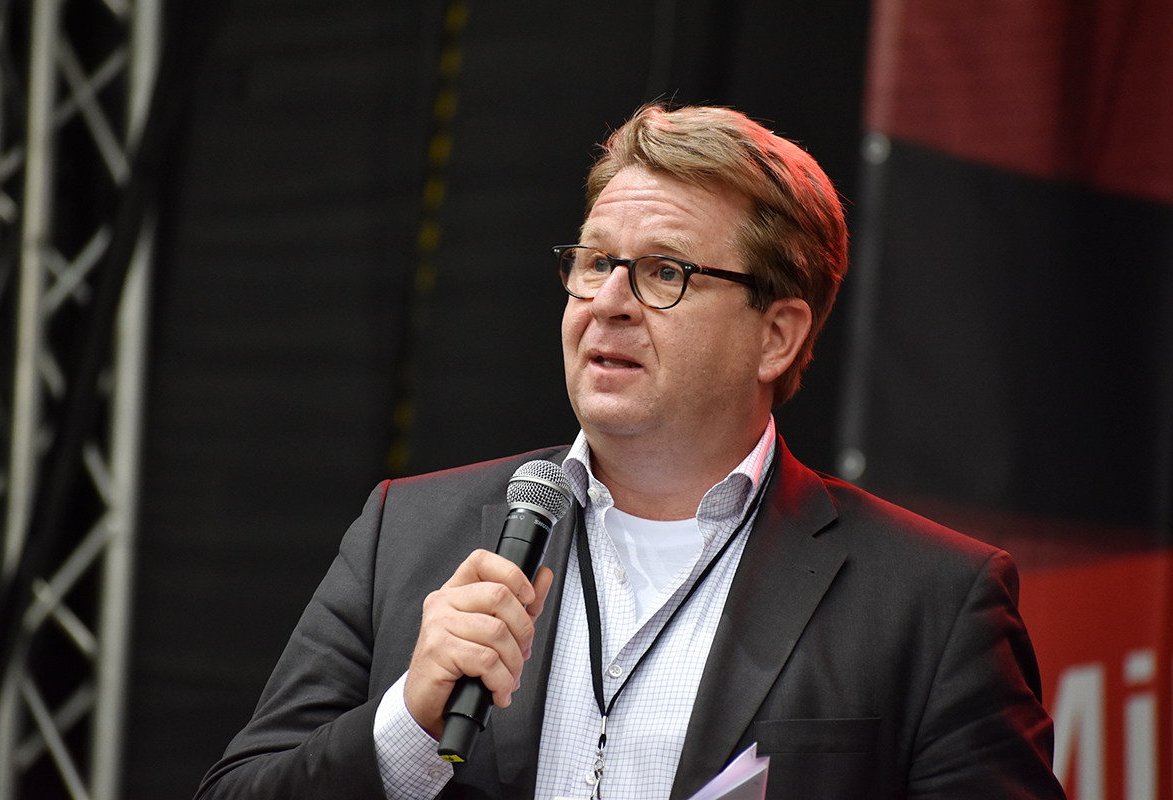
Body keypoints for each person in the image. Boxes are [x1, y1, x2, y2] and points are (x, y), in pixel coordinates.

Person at [195, 105, 1065, 800]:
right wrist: (406, 730)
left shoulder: (928, 602)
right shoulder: (409, 533)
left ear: (777, 335)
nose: (607, 302)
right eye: (593, 262)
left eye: (663, 272)